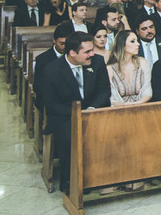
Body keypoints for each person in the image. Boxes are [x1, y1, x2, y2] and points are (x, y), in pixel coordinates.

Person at [37, 32, 111, 192]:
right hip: (65, 116)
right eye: (87, 52)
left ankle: (105, 175)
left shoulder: (97, 62)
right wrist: (77, 113)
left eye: (92, 50)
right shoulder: (51, 70)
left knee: (112, 130)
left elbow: (104, 92)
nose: (92, 54)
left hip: (93, 111)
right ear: (72, 53)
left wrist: (91, 109)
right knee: (71, 136)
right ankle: (70, 180)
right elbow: (50, 105)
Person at [106, 30, 152, 105]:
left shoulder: (143, 63)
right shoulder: (110, 68)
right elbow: (110, 98)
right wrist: (125, 106)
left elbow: (148, 91)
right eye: (132, 41)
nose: (138, 44)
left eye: (137, 41)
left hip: (141, 107)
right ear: (122, 45)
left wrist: (137, 104)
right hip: (118, 110)